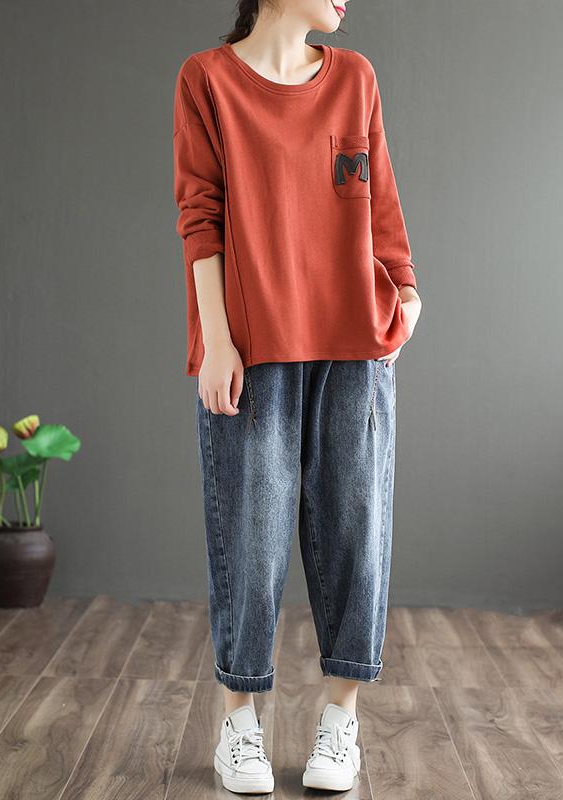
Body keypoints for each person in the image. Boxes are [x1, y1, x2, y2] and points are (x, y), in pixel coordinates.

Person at [173, 0, 422, 793]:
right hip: (254, 349)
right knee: (249, 538)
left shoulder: (355, 78)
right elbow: (200, 218)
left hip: (356, 346)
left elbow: (378, 198)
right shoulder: (207, 81)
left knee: (356, 534)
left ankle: (341, 722)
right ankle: (238, 724)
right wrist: (217, 340)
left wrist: (406, 292)